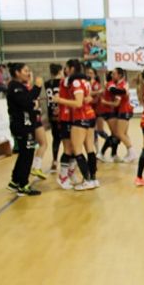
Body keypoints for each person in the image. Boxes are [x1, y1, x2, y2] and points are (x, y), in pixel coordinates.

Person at [54, 59, 98, 190]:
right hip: (82, 116)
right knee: (83, 148)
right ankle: (89, 178)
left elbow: (79, 102)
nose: (64, 70)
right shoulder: (82, 80)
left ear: (72, 69)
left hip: (78, 117)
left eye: (66, 68)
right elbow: (88, 97)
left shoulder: (74, 81)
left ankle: (83, 179)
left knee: (76, 149)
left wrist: (59, 100)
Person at [6, 63, 43, 196]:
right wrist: (37, 87)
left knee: (24, 154)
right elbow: (27, 102)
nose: (28, 73)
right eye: (26, 70)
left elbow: (29, 102)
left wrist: (33, 102)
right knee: (27, 155)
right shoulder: (15, 87)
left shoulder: (19, 86)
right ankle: (23, 185)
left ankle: (15, 181)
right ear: (17, 72)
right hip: (22, 126)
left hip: (24, 125)